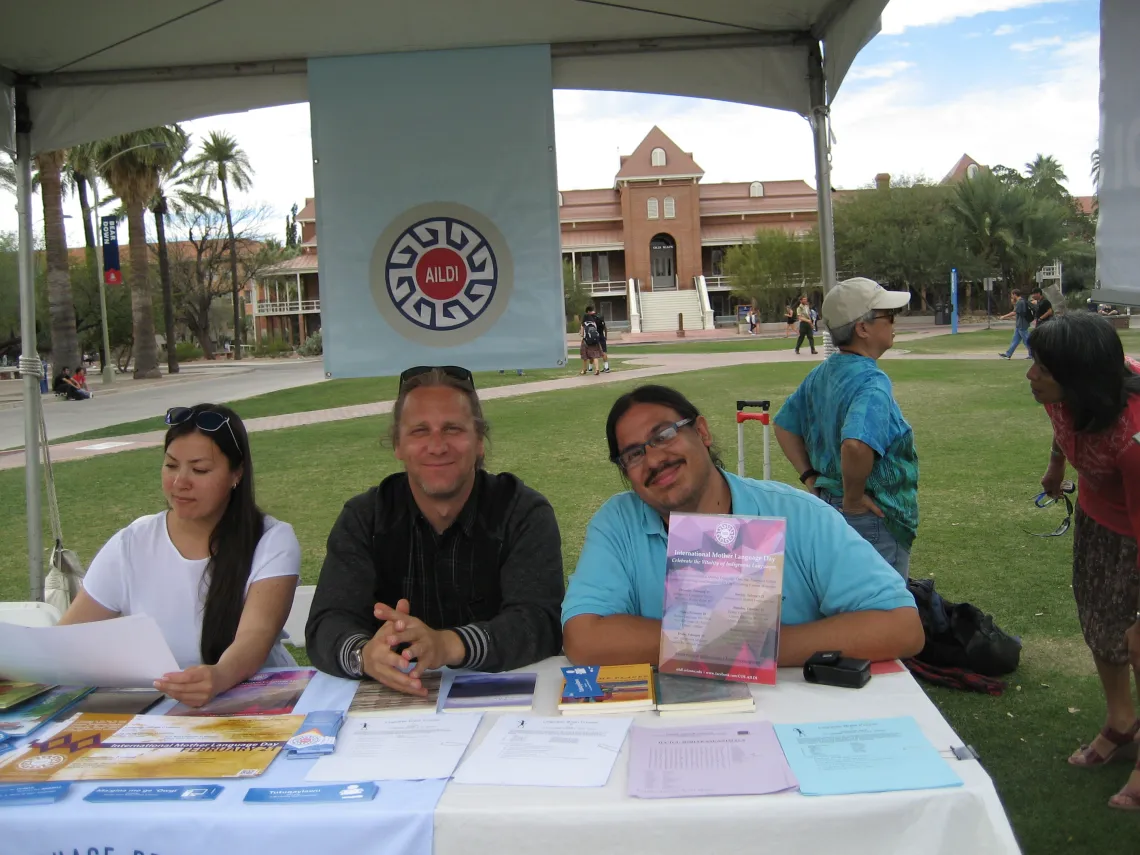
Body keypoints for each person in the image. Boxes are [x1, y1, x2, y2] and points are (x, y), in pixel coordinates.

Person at [561, 384, 924, 667]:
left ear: (701, 431)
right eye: (634, 454)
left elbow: (901, 626)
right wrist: (731, 643)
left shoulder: (795, 513)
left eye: (664, 435)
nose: (654, 458)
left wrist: (757, 647)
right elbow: (583, 639)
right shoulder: (618, 524)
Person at [306, 366, 564, 695]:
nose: (437, 445)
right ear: (397, 445)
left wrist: (447, 645)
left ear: (479, 441)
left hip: (504, 711)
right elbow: (327, 623)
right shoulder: (366, 518)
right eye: (420, 431)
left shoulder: (521, 512)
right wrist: (365, 655)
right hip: (388, 716)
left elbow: (539, 622)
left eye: (453, 429)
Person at [59, 404, 300, 707]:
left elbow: (255, 638)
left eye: (199, 470)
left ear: (236, 474)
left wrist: (219, 676)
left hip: (258, 703)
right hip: (160, 712)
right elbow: (68, 638)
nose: (179, 482)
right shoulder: (132, 542)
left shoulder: (271, 540)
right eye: (171, 465)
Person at [1027, 314, 1140, 810]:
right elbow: (1063, 425)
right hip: (1098, 517)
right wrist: (1056, 465)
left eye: (1042, 368)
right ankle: (1121, 722)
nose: (1030, 375)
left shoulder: (1134, 437)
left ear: (1077, 378)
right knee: (1099, 620)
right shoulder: (1066, 396)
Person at [774, 277, 917, 579]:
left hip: (830, 509)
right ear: (862, 328)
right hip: (871, 516)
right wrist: (853, 497)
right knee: (881, 615)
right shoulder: (871, 381)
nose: (894, 323)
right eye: (888, 317)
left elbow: (784, 425)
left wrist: (810, 476)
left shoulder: (822, 373)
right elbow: (855, 444)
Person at [999, 289, 1034, 359]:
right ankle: (1008, 354)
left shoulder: (1020, 302)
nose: (1012, 297)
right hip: (1019, 325)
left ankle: (1033, 354)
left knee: (1026, 340)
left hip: (1022, 325)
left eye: (1012, 295)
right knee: (1015, 340)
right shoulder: (1021, 301)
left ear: (1015, 294)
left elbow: (1014, 312)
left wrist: (1004, 316)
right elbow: (1019, 314)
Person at [579, 307, 604, 376]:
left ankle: (584, 370)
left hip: (586, 341)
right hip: (595, 341)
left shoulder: (583, 324)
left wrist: (581, 333)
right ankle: (597, 369)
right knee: (595, 355)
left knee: (584, 356)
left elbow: (582, 334)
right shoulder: (593, 323)